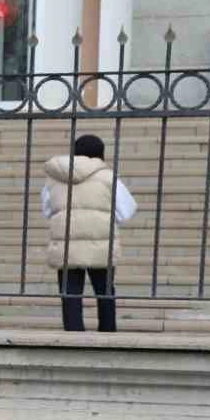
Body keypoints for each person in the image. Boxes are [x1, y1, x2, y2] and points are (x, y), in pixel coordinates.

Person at [41, 134, 137, 333]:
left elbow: (48, 210)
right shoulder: (108, 177)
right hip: (100, 243)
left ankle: (73, 336)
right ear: (101, 155)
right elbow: (126, 210)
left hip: (67, 244)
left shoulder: (56, 178)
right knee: (105, 291)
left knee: (70, 293)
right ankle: (107, 335)